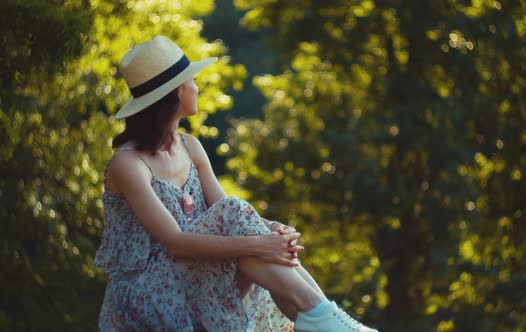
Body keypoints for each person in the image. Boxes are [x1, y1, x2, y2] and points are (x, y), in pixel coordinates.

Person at [94, 35, 378, 332]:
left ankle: (323, 316)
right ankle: (323, 318)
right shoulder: (127, 164)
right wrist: (261, 244)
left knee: (243, 222)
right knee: (240, 225)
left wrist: (272, 229)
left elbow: (227, 212)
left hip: (192, 273)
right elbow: (176, 243)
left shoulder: (190, 146)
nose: (197, 86)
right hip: (148, 291)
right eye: (192, 80)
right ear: (177, 92)